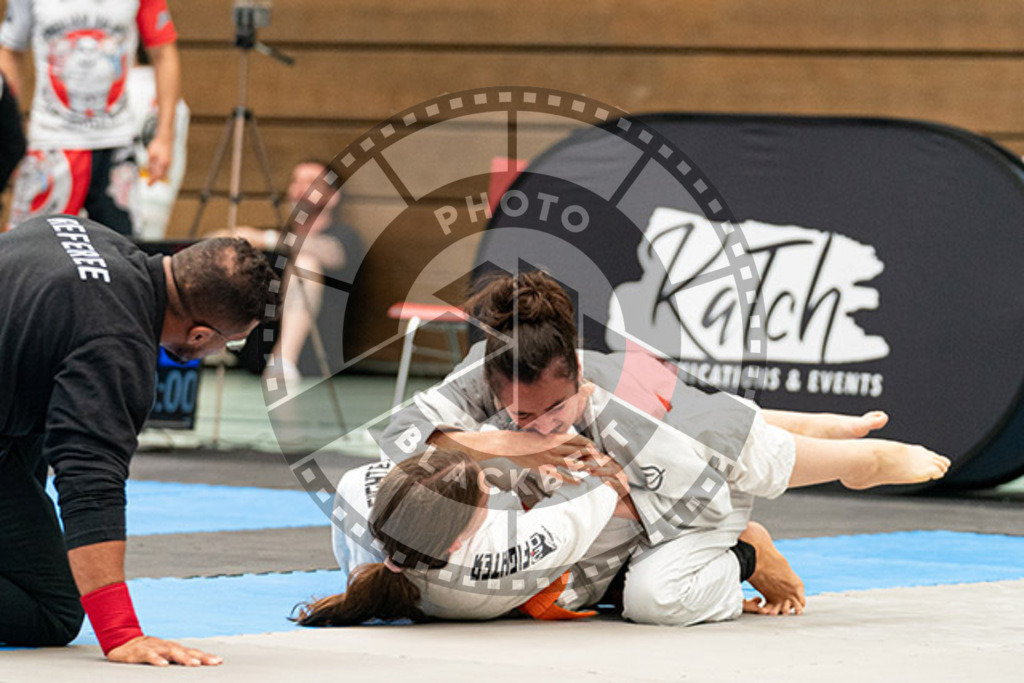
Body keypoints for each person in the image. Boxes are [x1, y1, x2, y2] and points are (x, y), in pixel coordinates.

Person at [326, 270, 949, 625]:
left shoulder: (617, 406)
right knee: (376, 481)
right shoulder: (490, 376)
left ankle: (857, 460)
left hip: (683, 495)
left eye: (553, 411)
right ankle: (805, 427)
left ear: (579, 381)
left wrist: (614, 493)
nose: (541, 424)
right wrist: (517, 445)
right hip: (593, 497)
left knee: (739, 455)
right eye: (522, 412)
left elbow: (709, 496)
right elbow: (396, 436)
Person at [0, 214, 278, 665]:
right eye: (228, 343)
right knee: (51, 610)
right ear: (200, 334)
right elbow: (90, 484)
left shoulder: (85, 232)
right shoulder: (115, 343)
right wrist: (120, 631)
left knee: (38, 410)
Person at [0, 0, 181, 235]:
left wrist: (165, 136)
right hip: (50, 143)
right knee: (27, 249)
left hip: (117, 143)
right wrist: (10, 132)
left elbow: (164, 52)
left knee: (125, 254)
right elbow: (11, 50)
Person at [228, 158, 365, 383]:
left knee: (305, 264)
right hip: (254, 355)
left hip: (314, 359)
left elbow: (331, 253)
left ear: (332, 197)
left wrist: (267, 239)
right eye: (296, 181)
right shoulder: (272, 236)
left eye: (311, 182)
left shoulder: (345, 237)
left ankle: (284, 361)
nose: (300, 188)